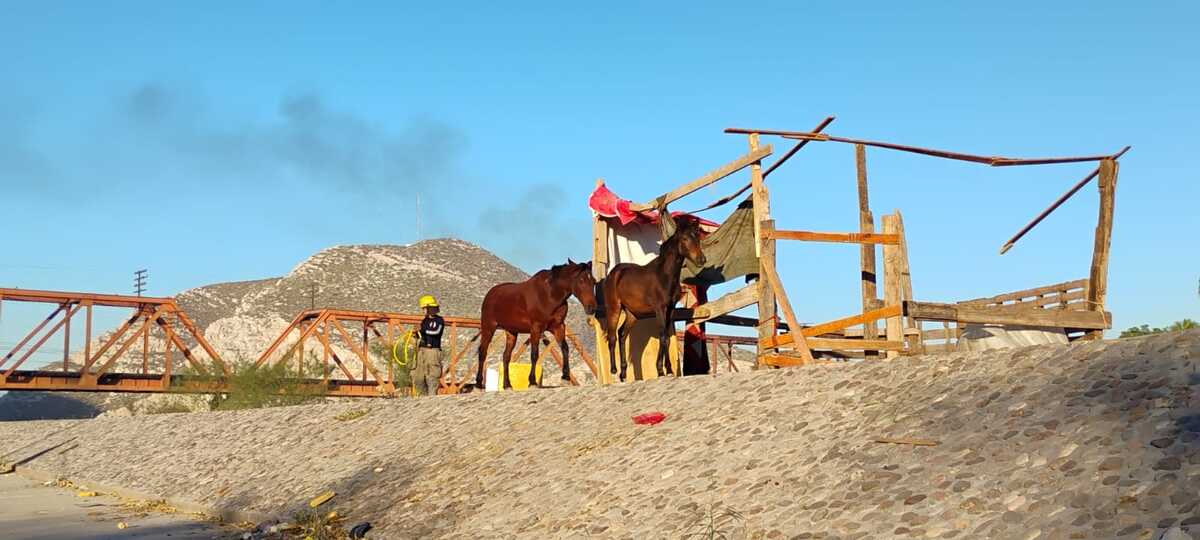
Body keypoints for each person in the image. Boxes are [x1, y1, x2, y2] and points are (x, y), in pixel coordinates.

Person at [411, 295, 445, 396]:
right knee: (418, 378)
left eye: (424, 308)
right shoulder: (424, 320)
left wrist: (421, 330)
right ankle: (421, 399)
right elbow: (422, 335)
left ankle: (431, 399)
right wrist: (415, 334)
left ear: (429, 307)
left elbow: (436, 332)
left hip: (433, 352)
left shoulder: (439, 320)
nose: (423, 310)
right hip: (421, 351)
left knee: (432, 378)